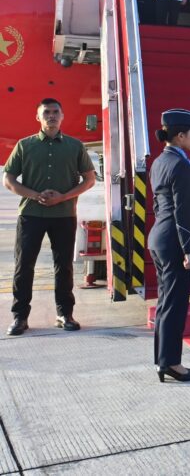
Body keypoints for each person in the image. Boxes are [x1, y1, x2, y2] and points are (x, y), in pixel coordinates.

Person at [4, 98, 96, 335]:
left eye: (56, 112)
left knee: (63, 266)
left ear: (62, 116)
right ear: (38, 117)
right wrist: (35, 195)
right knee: (24, 266)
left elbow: (89, 179)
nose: (51, 116)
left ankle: (65, 314)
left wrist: (63, 197)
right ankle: (20, 317)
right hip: (31, 215)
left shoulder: (75, 146)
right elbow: (9, 180)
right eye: (46, 112)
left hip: (64, 215)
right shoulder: (24, 146)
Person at [149, 108, 190, 383]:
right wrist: (188, 249)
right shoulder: (181, 165)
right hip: (172, 240)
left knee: (165, 301)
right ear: (180, 136)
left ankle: (163, 359)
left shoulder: (160, 161)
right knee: (175, 303)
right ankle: (170, 363)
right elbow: (184, 212)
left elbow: (159, 205)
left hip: (159, 235)